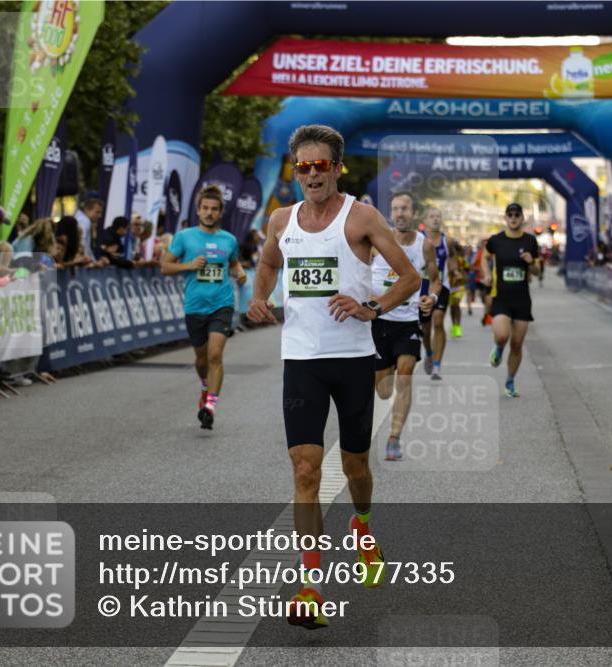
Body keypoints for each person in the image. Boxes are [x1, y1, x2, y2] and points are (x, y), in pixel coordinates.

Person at [246, 124, 419, 630]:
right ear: (295, 170)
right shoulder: (281, 219)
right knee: (305, 469)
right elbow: (268, 263)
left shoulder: (361, 216)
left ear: (338, 168)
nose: (313, 174)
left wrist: (372, 305)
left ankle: (362, 527)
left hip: (350, 359)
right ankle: (310, 586)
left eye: (322, 165)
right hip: (300, 358)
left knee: (355, 469)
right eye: (304, 166)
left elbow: (409, 277)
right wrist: (260, 297)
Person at [161, 185, 246, 430]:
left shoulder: (229, 240)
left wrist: (239, 274)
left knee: (215, 355)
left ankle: (210, 406)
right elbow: (165, 267)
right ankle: (205, 386)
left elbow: (234, 263)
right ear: (198, 210)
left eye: (214, 209)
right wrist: (188, 266)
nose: (209, 213)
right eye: (205, 208)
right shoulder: (184, 237)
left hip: (222, 303)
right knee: (200, 360)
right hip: (195, 305)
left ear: (220, 212)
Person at [371, 191, 439, 460]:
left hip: (408, 321)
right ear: (391, 213)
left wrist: (430, 297)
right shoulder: (378, 241)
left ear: (414, 213)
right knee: (383, 388)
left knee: (406, 374)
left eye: (405, 209)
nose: (400, 214)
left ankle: (394, 437)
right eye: (396, 209)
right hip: (379, 321)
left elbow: (435, 279)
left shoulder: (424, 246)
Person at [482, 203, 540, 398]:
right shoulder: (496, 240)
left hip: (522, 299)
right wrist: (486, 274)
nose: (514, 218)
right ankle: (498, 348)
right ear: (505, 218)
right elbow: (484, 256)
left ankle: (510, 381)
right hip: (502, 298)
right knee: (501, 336)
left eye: (517, 215)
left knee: (516, 344)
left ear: (522, 218)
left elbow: (537, 272)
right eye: (510, 215)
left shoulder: (531, 241)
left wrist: (531, 262)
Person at [418, 206, 453, 380]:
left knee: (438, 320)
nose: (435, 219)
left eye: (438, 216)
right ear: (425, 221)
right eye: (431, 216)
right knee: (425, 327)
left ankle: (437, 366)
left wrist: (456, 271)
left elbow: (452, 259)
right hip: (422, 287)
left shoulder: (448, 241)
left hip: (442, 285)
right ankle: (429, 353)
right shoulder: (419, 240)